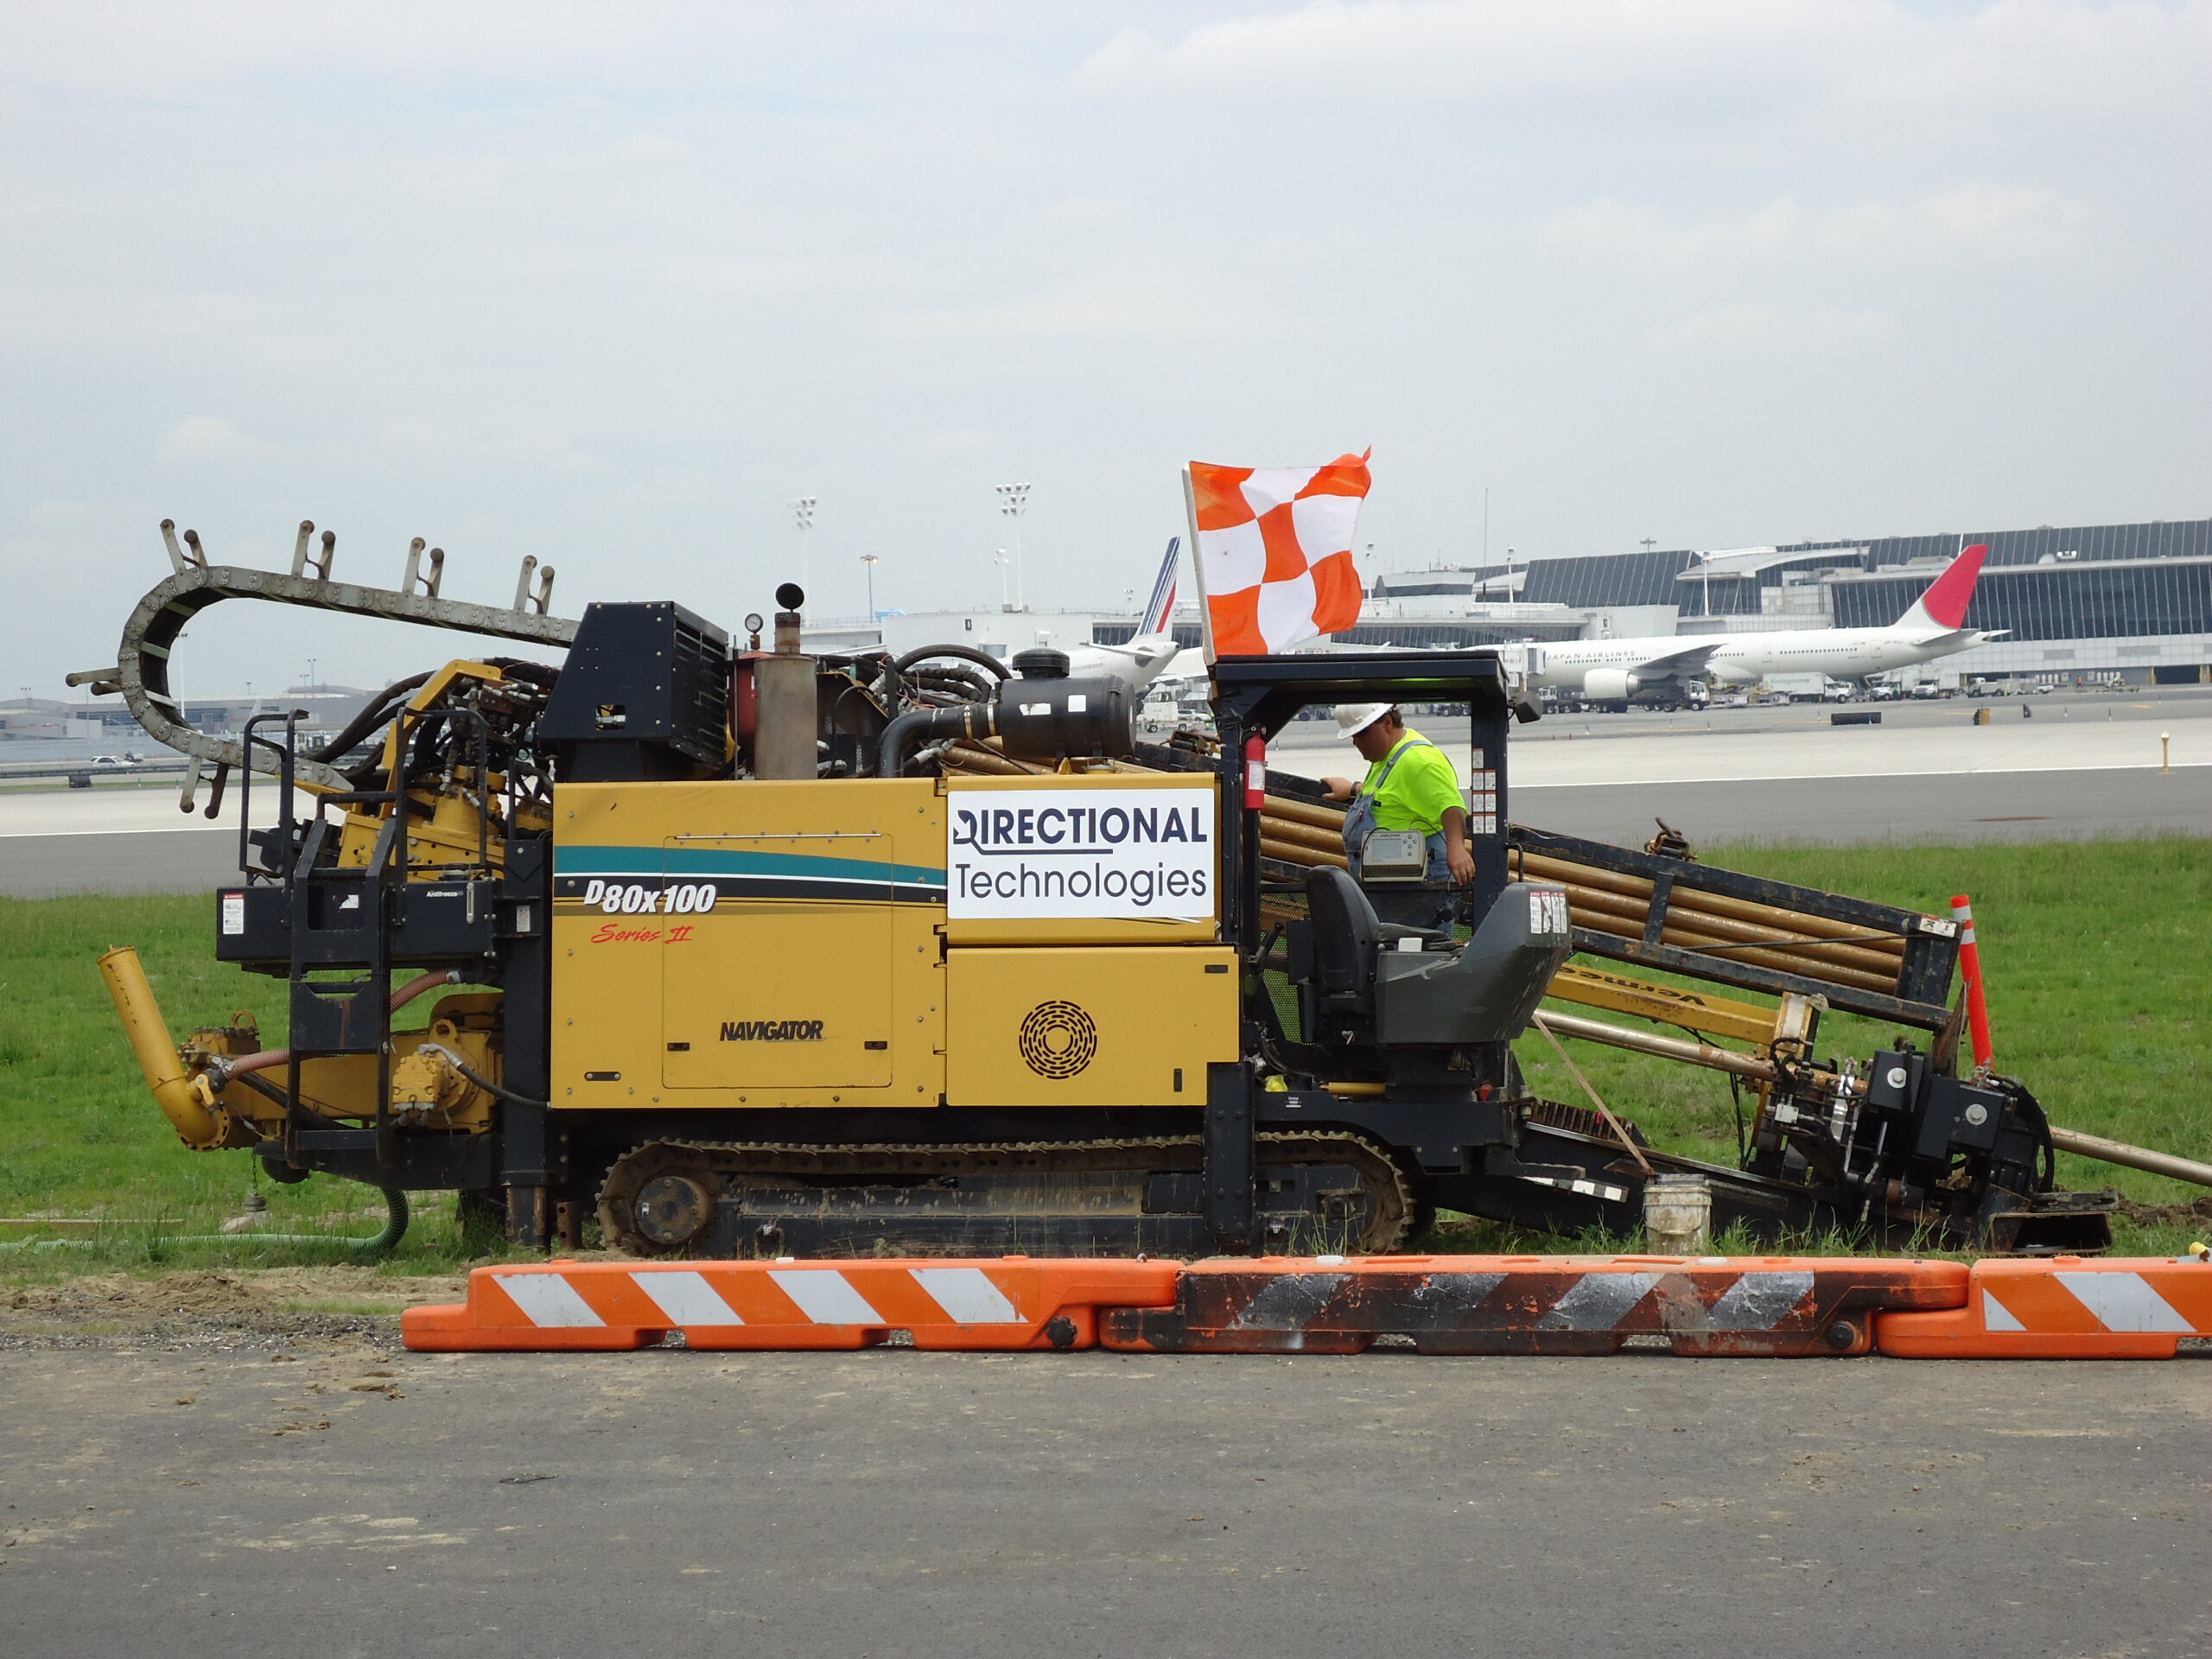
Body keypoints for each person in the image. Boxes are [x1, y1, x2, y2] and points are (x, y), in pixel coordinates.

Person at [1320, 703, 1475, 932]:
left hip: (1415, 892)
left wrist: (1456, 848)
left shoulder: (1419, 760)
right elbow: (1392, 794)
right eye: (1353, 736)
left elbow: (1450, 805)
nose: (1356, 742)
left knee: (1414, 955)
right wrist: (1353, 789)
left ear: (1387, 723)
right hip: (1390, 885)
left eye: (1362, 733)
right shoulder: (1388, 757)